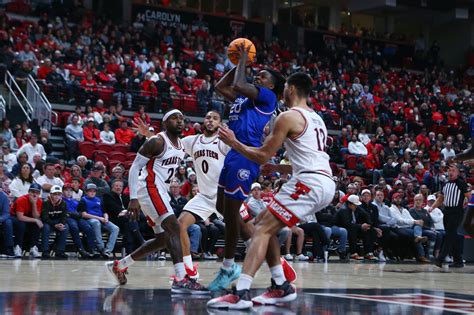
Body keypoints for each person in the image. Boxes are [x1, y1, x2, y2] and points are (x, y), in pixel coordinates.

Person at [208, 72, 335, 309]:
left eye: (285, 87)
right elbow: (308, 155)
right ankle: (280, 284)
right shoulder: (317, 118)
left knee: (261, 230)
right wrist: (276, 167)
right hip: (321, 180)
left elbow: (262, 153)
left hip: (310, 182)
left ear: (292, 89)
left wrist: (234, 142)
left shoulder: (288, 116)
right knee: (264, 224)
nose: (283, 92)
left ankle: (241, 292)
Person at [209, 42, 286, 292]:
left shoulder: (267, 97)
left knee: (231, 215)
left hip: (246, 156)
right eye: (258, 72)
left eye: (263, 75)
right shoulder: (245, 99)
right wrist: (235, 64)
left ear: (271, 85)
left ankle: (228, 266)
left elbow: (242, 84)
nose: (258, 75)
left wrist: (243, 60)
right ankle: (262, 245)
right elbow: (221, 86)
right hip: (234, 152)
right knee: (222, 207)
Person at [105, 109, 207, 294]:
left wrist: (148, 134)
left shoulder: (180, 145)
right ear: (165, 123)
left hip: (160, 191)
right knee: (175, 228)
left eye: (182, 118)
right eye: (174, 118)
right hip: (149, 187)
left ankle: (120, 265)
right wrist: (133, 197)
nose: (179, 121)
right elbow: (135, 166)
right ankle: (181, 278)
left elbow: (165, 149)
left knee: (162, 239)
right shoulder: (157, 141)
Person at [430, 163, 471, 268]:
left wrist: (466, 201)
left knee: (449, 236)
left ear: (457, 172)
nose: (451, 172)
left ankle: (440, 258)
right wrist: (432, 207)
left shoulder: (461, 183)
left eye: (453, 170)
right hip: (446, 211)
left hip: (457, 212)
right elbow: (440, 198)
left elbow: (469, 196)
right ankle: (458, 261)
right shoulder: (445, 184)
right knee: (452, 235)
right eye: (449, 170)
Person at [103, 179, 144, 255]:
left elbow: (132, 208)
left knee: (130, 224)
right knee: (130, 220)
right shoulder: (108, 195)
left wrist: (126, 213)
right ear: (112, 187)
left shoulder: (125, 197)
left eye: (120, 186)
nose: (118, 187)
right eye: (116, 186)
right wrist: (126, 212)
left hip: (126, 219)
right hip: (114, 219)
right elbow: (113, 208)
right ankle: (141, 241)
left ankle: (130, 251)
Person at [78, 183, 119, 259]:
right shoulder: (83, 200)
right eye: (90, 191)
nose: (92, 192)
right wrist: (99, 218)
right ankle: (101, 247)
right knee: (96, 223)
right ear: (86, 192)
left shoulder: (99, 200)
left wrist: (106, 218)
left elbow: (104, 212)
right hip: (90, 219)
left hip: (102, 219)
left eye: (94, 191)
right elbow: (84, 214)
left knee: (115, 228)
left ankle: (107, 251)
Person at [62, 183, 96, 258]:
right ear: (62, 192)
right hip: (69, 218)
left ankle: (92, 249)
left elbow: (80, 211)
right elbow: (65, 212)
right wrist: (75, 214)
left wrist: (78, 214)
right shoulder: (61, 200)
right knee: (74, 228)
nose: (68, 192)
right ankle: (80, 249)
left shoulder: (75, 201)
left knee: (88, 228)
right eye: (66, 190)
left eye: (70, 190)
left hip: (77, 217)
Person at [10, 183, 43, 258]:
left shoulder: (39, 201)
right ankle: (18, 247)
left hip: (28, 218)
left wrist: (34, 204)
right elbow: (20, 217)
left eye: (37, 193)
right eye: (32, 192)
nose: (34, 194)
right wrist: (35, 220)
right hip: (14, 217)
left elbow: (36, 216)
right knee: (21, 224)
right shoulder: (21, 199)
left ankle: (33, 248)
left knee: (36, 224)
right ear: (28, 192)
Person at [40, 185, 69, 259]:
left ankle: (60, 251)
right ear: (50, 194)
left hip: (58, 222)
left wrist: (61, 224)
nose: (57, 196)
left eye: (59, 194)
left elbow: (64, 216)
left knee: (65, 227)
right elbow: (44, 217)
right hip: (48, 223)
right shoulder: (45, 203)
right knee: (45, 227)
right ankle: (45, 251)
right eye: (55, 194)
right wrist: (54, 224)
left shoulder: (63, 203)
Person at [0, 190, 14, 257]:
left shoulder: (4, 196)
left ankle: (8, 248)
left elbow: (6, 213)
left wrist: (0, 219)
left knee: (8, 222)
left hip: (1, 219)